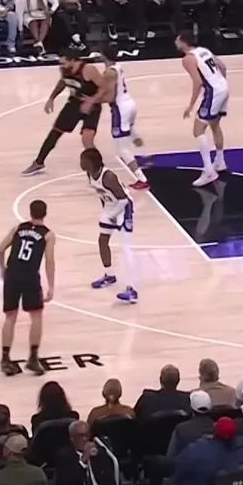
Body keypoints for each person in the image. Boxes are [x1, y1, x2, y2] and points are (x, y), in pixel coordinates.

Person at [0, 198, 56, 377]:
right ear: (45, 213)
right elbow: (49, 261)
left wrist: (3, 268)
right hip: (30, 276)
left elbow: (0, 250)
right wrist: (51, 286)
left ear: (30, 212)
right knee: (36, 316)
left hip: (12, 274)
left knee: (10, 316)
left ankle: (5, 359)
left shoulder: (18, 228)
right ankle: (33, 358)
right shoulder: (48, 234)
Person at [22, 47, 105, 176]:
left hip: (92, 105)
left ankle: (98, 169)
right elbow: (63, 82)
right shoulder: (64, 69)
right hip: (74, 103)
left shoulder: (88, 70)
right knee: (55, 133)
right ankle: (38, 162)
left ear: (73, 60)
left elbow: (104, 87)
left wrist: (92, 100)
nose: (61, 65)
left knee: (87, 139)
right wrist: (51, 98)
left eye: (64, 62)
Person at [82, 148, 138, 303]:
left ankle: (132, 290)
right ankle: (109, 275)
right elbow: (102, 195)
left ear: (91, 162)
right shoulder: (90, 174)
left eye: (83, 160)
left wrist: (112, 216)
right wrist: (106, 213)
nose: (80, 163)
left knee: (125, 248)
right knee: (102, 241)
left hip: (123, 207)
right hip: (110, 205)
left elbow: (124, 199)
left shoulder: (108, 177)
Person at [177, 32, 230, 187]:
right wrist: (221, 84)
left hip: (214, 91)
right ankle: (220, 161)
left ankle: (208, 171)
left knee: (198, 130)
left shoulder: (188, 59)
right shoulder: (204, 50)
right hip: (223, 87)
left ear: (183, 42)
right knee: (215, 125)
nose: (175, 42)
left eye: (177, 40)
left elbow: (198, 82)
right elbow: (223, 67)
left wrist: (191, 105)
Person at [101, 46, 149, 190]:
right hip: (130, 104)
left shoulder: (109, 72)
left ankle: (141, 178)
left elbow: (110, 97)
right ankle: (146, 154)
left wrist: (92, 101)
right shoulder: (118, 67)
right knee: (132, 131)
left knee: (122, 149)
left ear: (103, 56)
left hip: (121, 109)